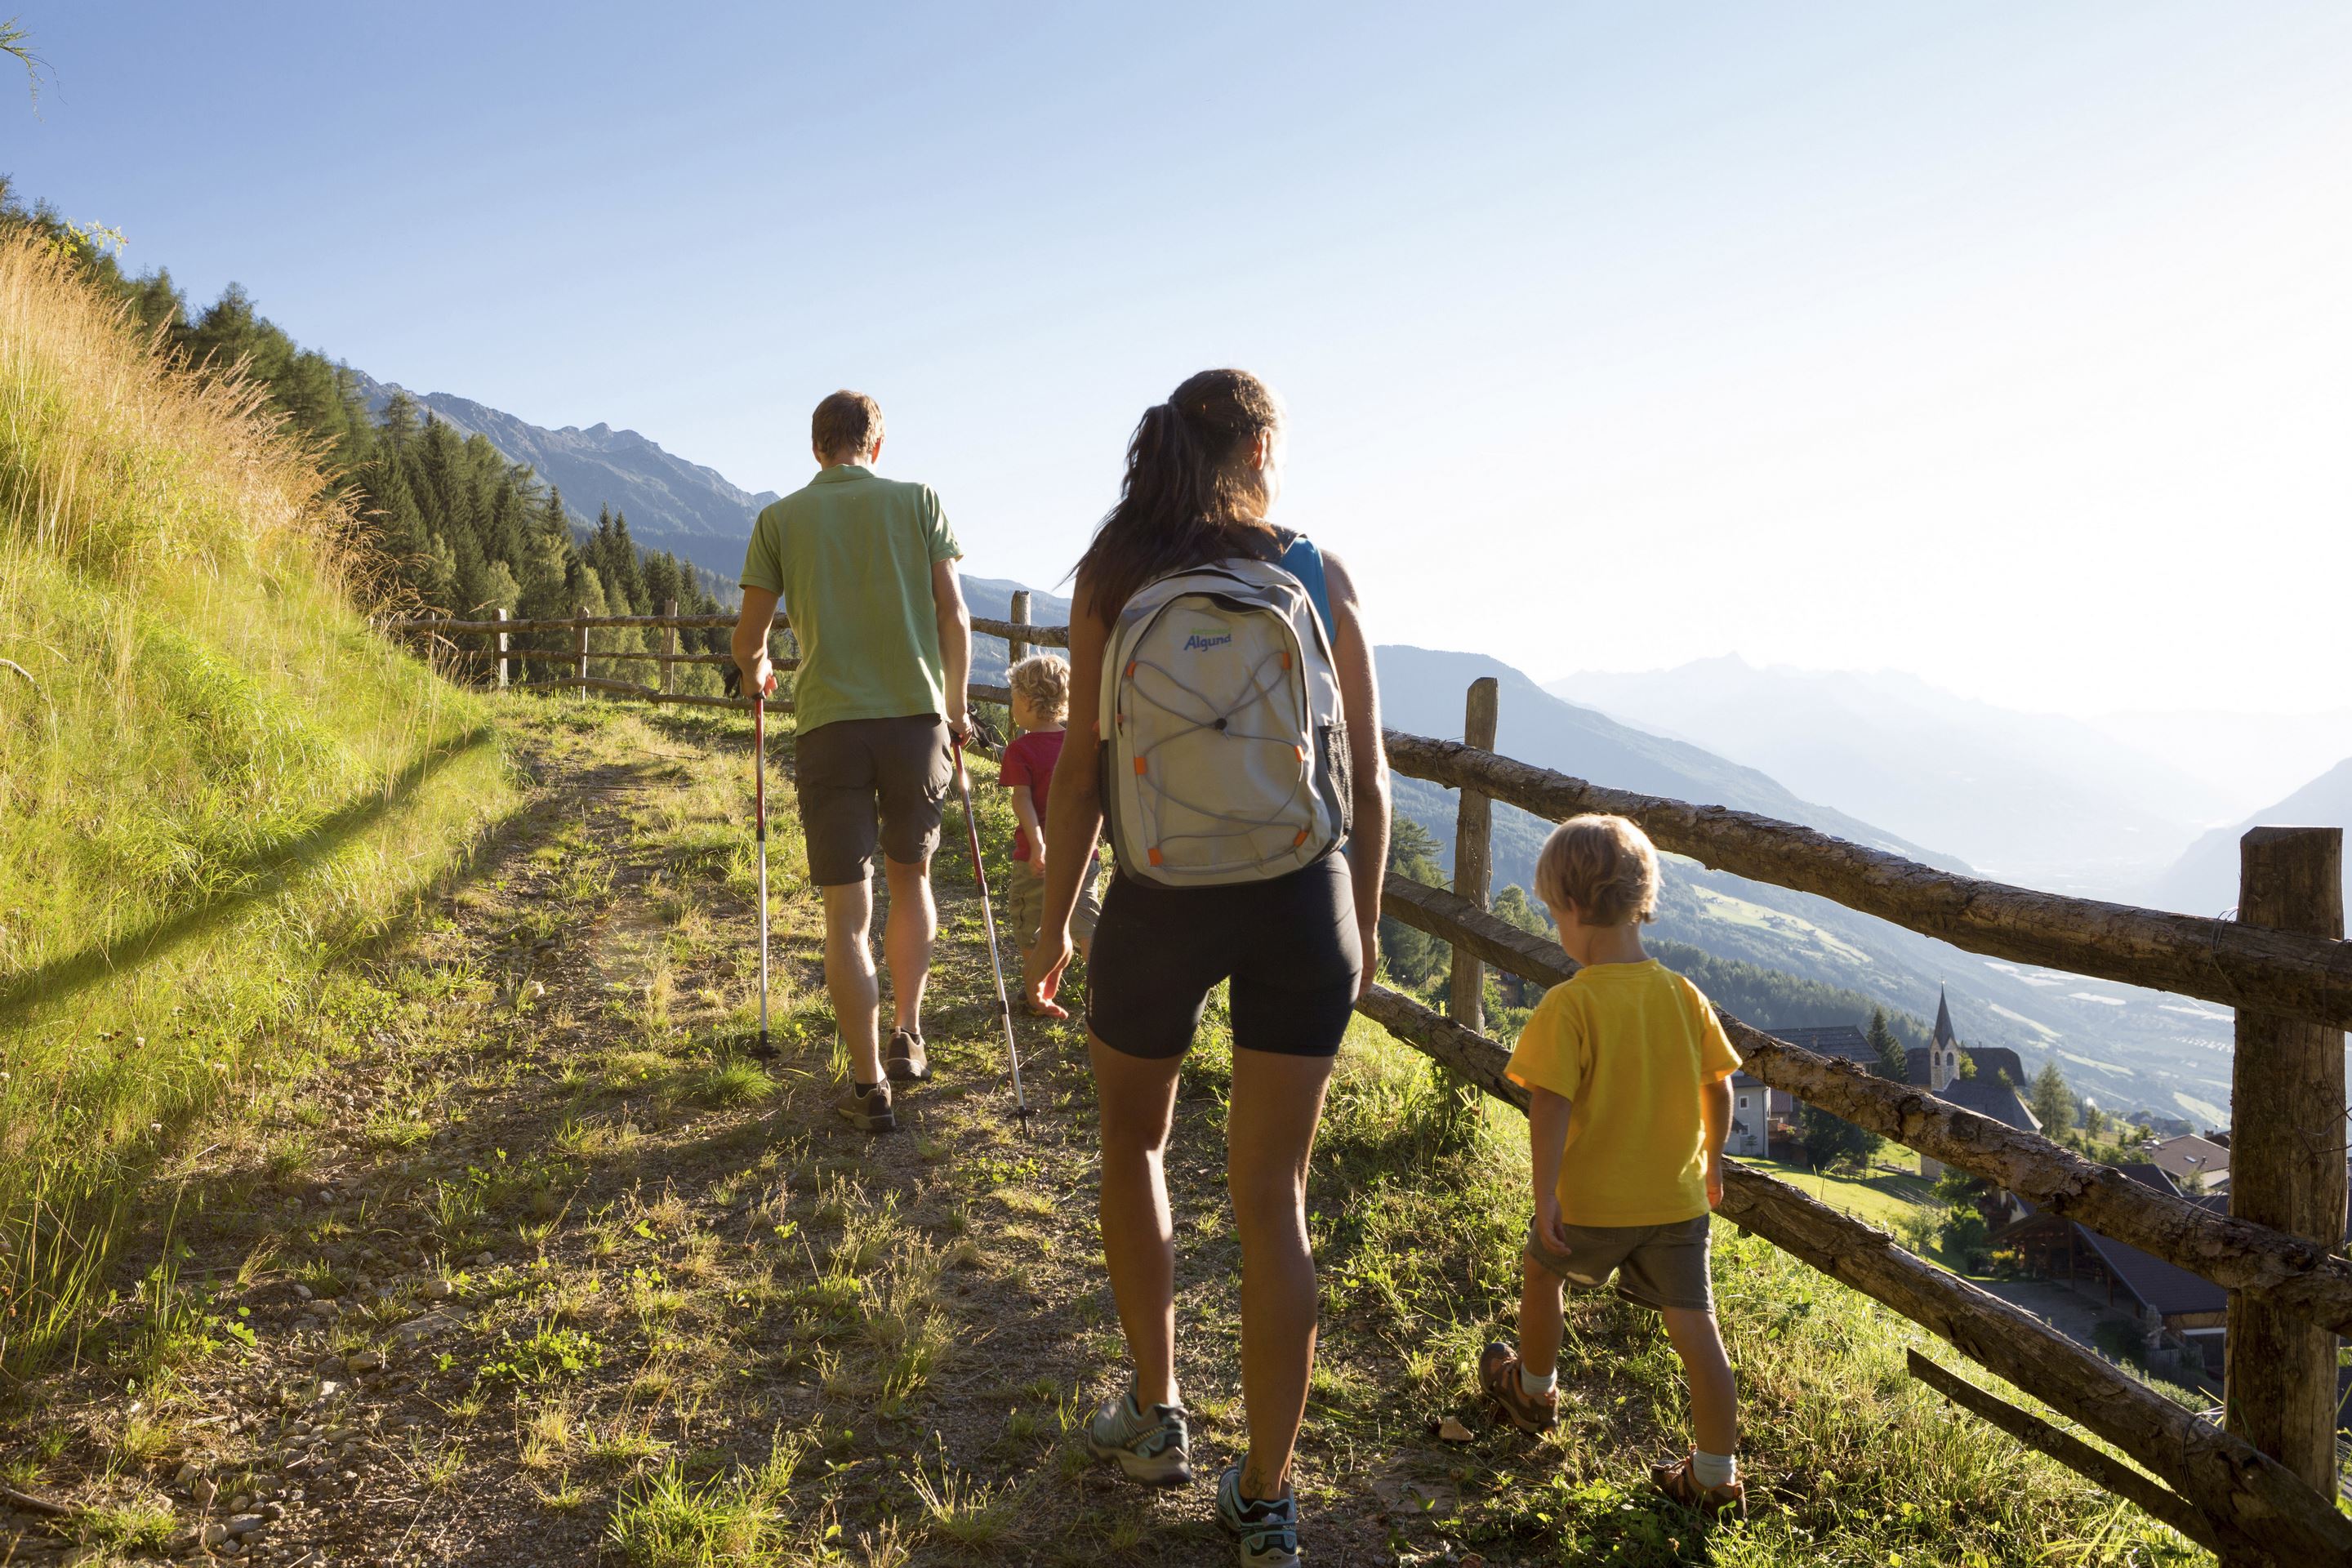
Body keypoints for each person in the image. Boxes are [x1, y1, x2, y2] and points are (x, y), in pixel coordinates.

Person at [1020, 369, 1389, 1568]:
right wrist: (1363, 927)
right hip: (1301, 897)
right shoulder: (1318, 570)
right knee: (1273, 1195)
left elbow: (1080, 769)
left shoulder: (1116, 570)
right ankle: (1266, 1496)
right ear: (1263, 445)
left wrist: (1052, 926)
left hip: (1159, 896)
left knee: (1134, 1145)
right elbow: (1369, 781)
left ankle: (1157, 1408)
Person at [1477, 813, 1745, 1517]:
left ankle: (1533, 1393)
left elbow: (1550, 1107)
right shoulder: (1684, 995)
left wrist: (1546, 1197)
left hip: (1594, 1201)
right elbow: (1720, 1085)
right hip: (1679, 1201)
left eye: (1551, 914)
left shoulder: (1570, 1005)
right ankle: (1716, 1475)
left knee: (1542, 1271)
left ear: (1571, 908)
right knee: (1697, 1330)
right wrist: (1715, 1165)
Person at [733, 390, 971, 1135]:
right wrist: (958, 710)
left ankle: (868, 1086)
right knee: (912, 878)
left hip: (831, 725)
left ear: (816, 448)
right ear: (878, 445)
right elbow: (955, 615)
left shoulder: (779, 519)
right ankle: (909, 1032)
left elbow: (749, 638)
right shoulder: (919, 501)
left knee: (847, 912)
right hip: (916, 721)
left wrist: (759, 672)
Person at [997, 653, 1102, 992]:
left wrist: (1038, 842)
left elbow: (1021, 798)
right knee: (1085, 917)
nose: (1013, 706)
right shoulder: (1079, 745)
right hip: (1083, 852)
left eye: (1014, 699)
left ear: (1027, 701)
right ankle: (1102, 987)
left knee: (1032, 921)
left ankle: (1037, 987)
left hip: (1034, 855)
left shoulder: (1020, 750)